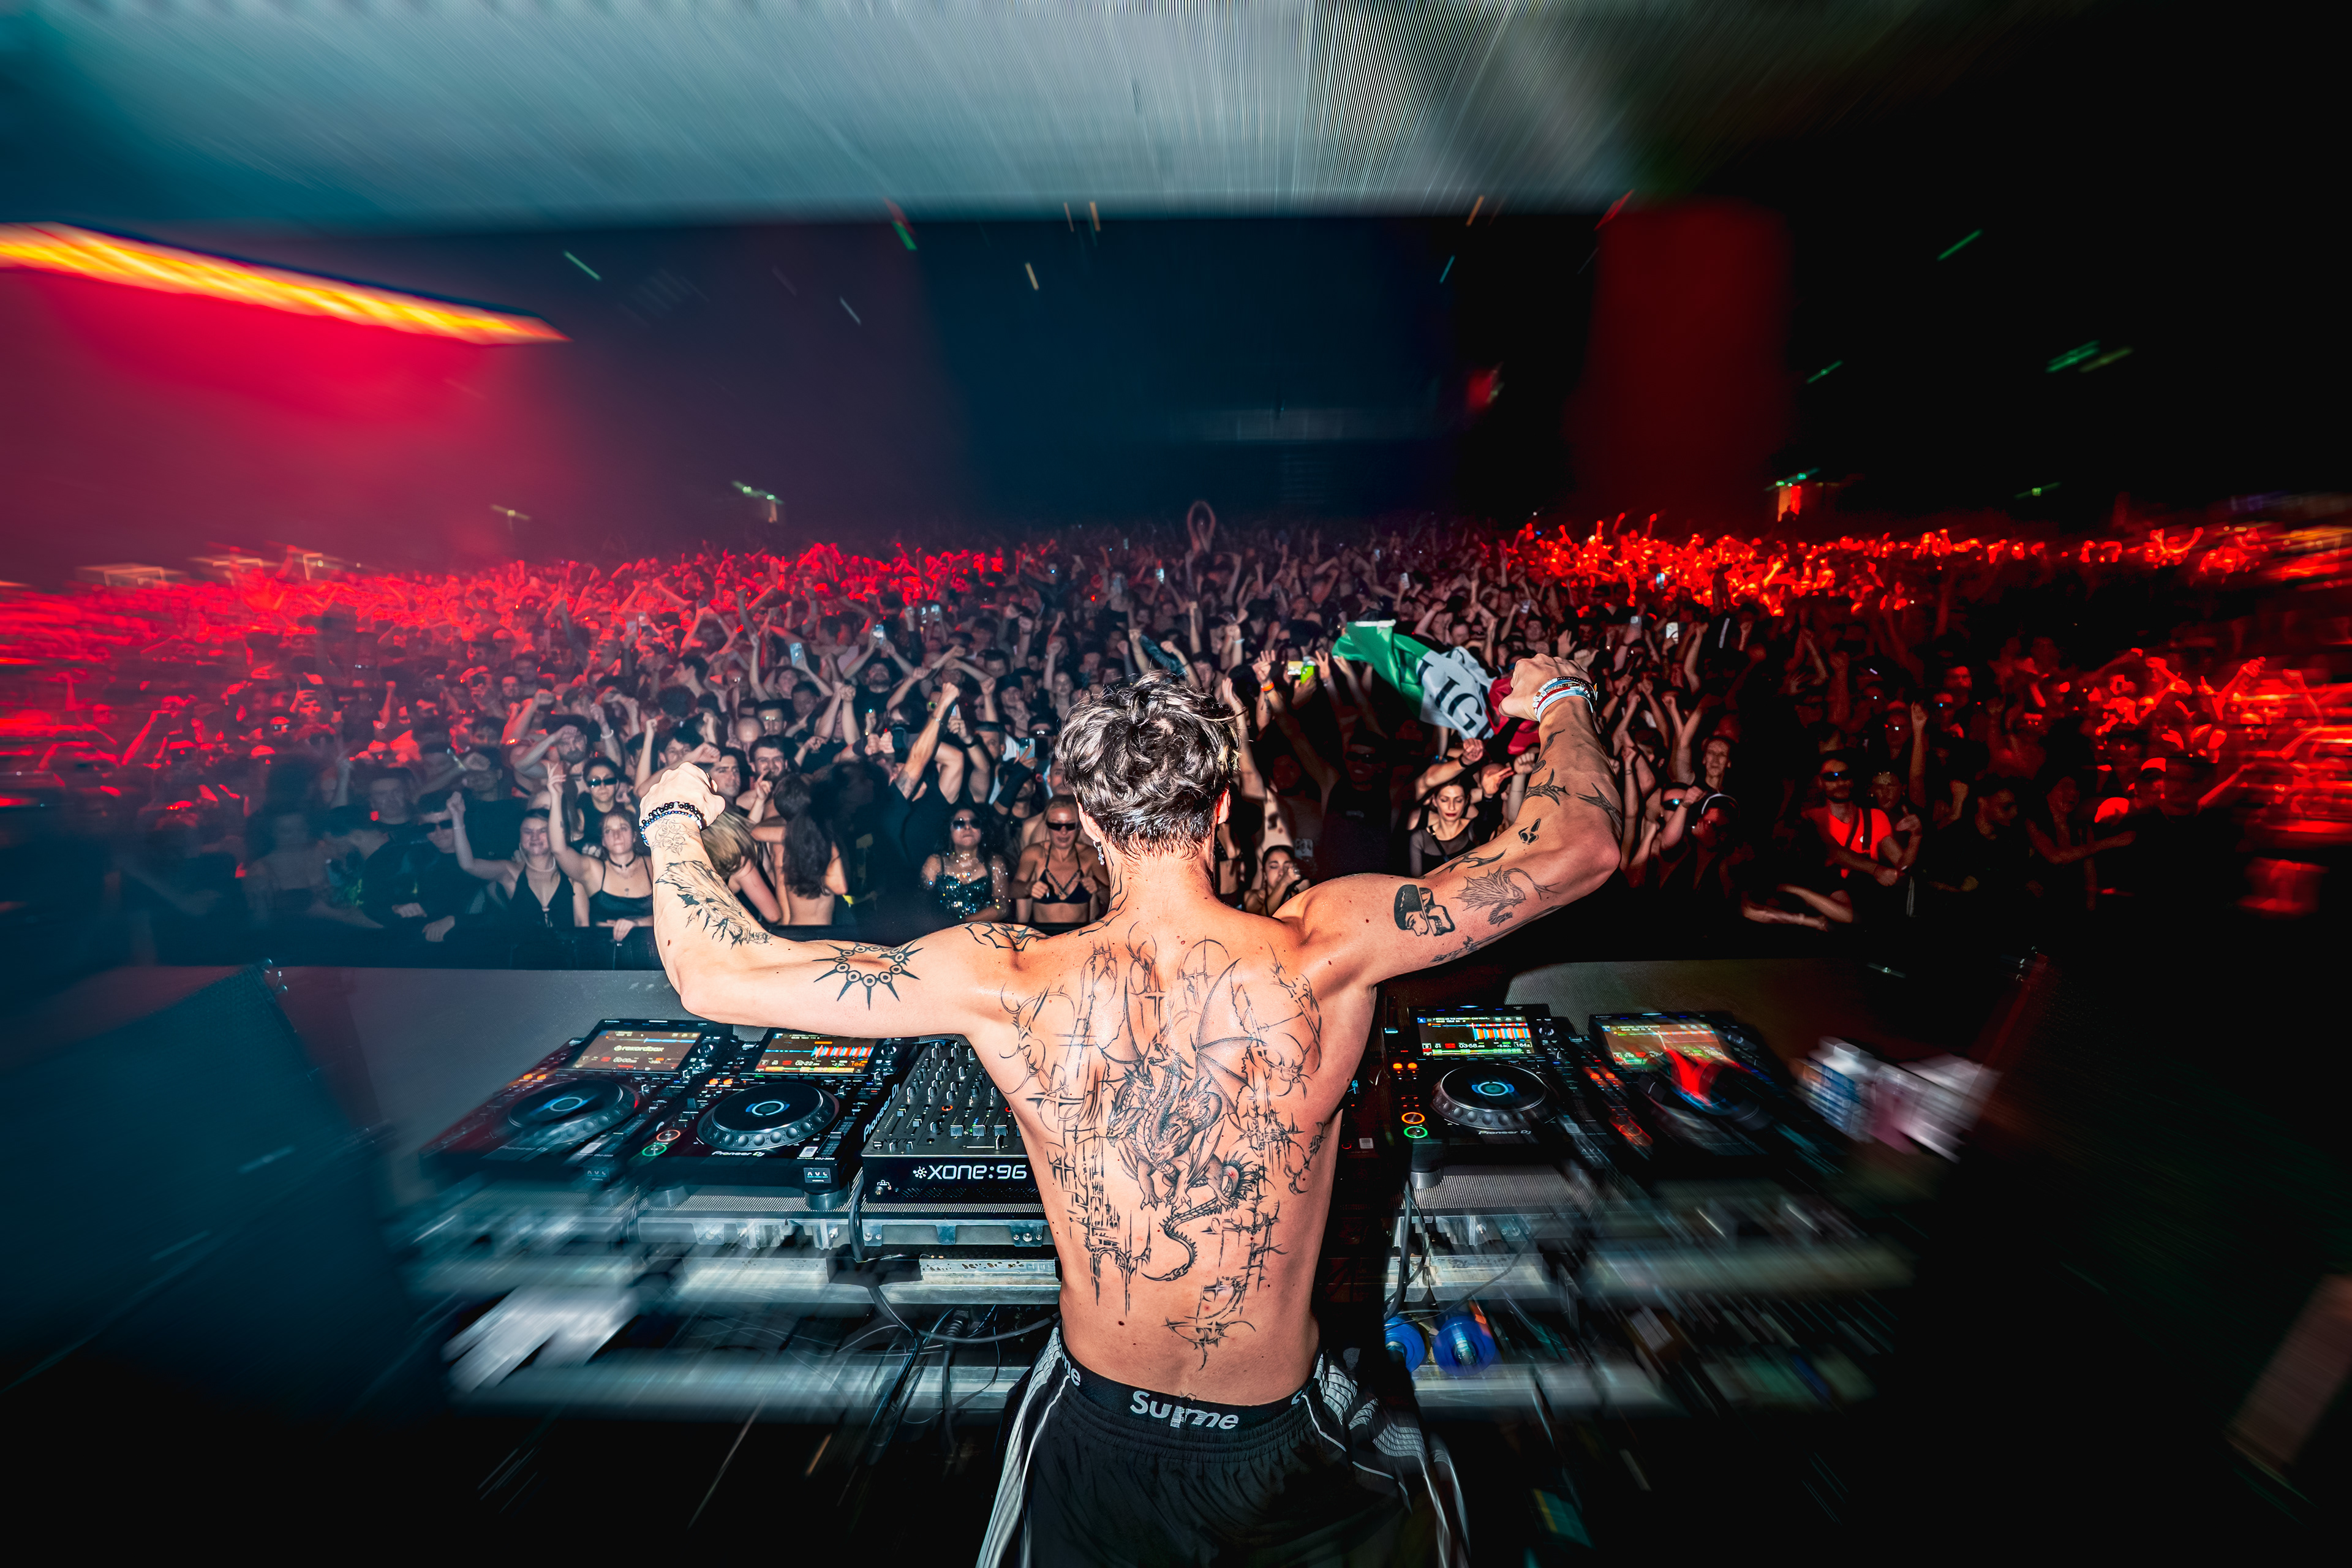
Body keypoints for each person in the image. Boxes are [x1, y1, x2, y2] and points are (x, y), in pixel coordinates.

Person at [637, 660, 1618, 1566]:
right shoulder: (1329, 944)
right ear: (1222, 809)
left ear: (1092, 825)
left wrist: (674, 817)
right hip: (1285, 1441)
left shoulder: (1007, 976)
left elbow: (714, 972)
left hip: (1093, 1433)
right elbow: (1580, 846)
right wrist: (1560, 698)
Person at [1011, 793, 1107, 934]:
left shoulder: (1090, 856)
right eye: (1056, 825)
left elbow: (1114, 900)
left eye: (1070, 825)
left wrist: (1099, 888)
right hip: (1044, 939)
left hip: (1080, 939)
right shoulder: (1034, 854)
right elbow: (1011, 891)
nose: (1063, 832)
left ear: (1078, 826)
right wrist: (1028, 888)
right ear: (1047, 825)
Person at [921, 808, 1011, 925]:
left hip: (982, 931)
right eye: (959, 823)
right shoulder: (936, 862)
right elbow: (921, 902)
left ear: (982, 830)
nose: (968, 827)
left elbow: (1002, 907)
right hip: (943, 932)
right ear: (949, 830)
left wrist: (963, 922)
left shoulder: (995, 862)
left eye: (975, 823)